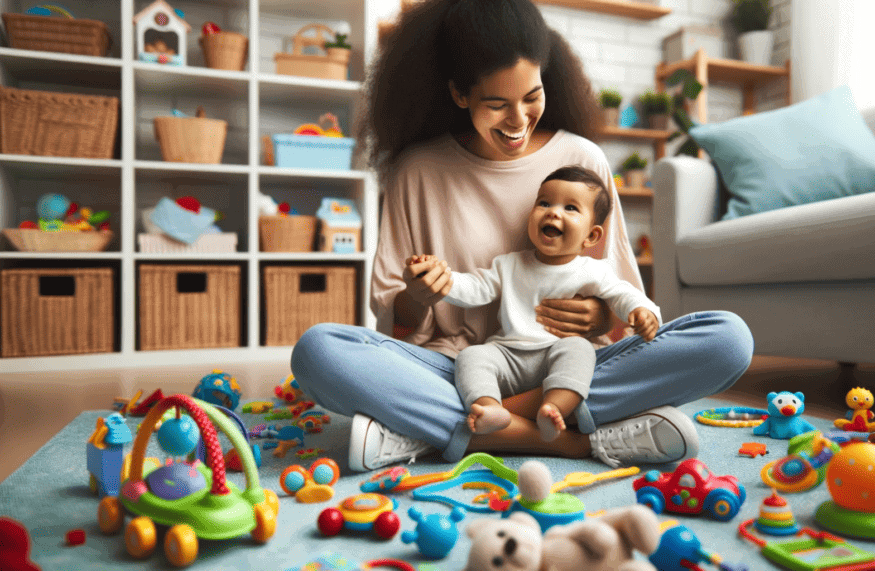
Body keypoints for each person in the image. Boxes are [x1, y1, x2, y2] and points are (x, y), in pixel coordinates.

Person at [291, 0, 754, 472]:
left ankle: (448, 432)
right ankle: (571, 440)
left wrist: (598, 318)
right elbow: (396, 316)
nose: (518, 121)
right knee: (319, 351)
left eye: (531, 97)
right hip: (459, 369)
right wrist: (419, 294)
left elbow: (622, 302)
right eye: (497, 104)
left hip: (573, 370)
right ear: (459, 94)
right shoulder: (417, 171)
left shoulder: (583, 159)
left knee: (728, 339)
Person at [419, 165, 662, 443]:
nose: (553, 212)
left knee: (579, 349)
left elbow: (622, 294)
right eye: (544, 203)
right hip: (508, 355)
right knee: (472, 357)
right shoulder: (509, 263)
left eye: (570, 208)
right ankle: (490, 409)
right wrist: (443, 280)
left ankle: (554, 409)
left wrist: (643, 311)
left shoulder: (592, 270)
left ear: (591, 236)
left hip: (555, 353)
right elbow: (476, 289)